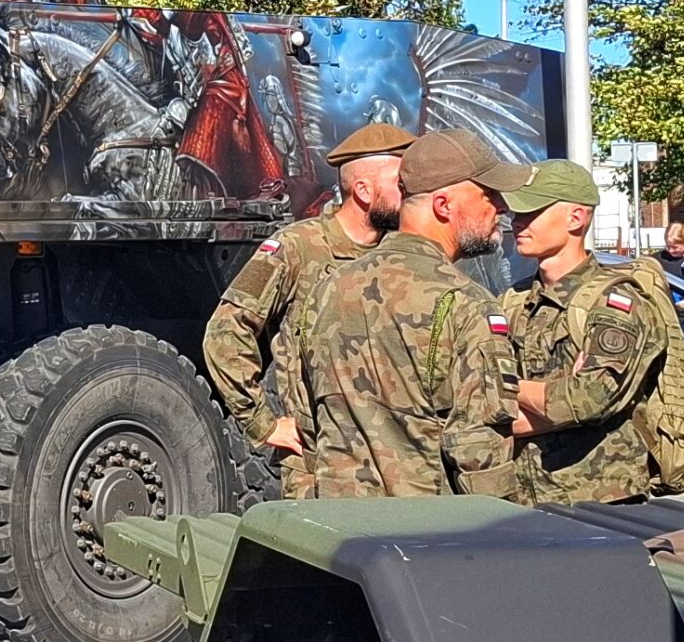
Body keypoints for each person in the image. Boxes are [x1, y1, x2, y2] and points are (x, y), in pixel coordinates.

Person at [283, 129, 531, 500]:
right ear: (443, 205)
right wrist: (503, 526)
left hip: (337, 524)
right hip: (426, 528)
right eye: (488, 195)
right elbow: (479, 450)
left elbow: (306, 423)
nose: (503, 207)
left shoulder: (327, 289)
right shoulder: (464, 303)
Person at [202, 121, 414, 494]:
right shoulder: (297, 248)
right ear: (363, 191)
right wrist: (263, 423)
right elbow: (225, 332)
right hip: (320, 468)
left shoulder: (399, 253)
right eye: (399, 183)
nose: (408, 193)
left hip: (395, 463)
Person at [498, 159, 684, 502]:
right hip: (519, 497)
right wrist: (549, 400)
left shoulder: (617, 302)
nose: (517, 221)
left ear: (576, 218)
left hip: (600, 501)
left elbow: (588, 399)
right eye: (517, 212)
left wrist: (505, 386)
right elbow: (473, 401)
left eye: (532, 212)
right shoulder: (514, 300)